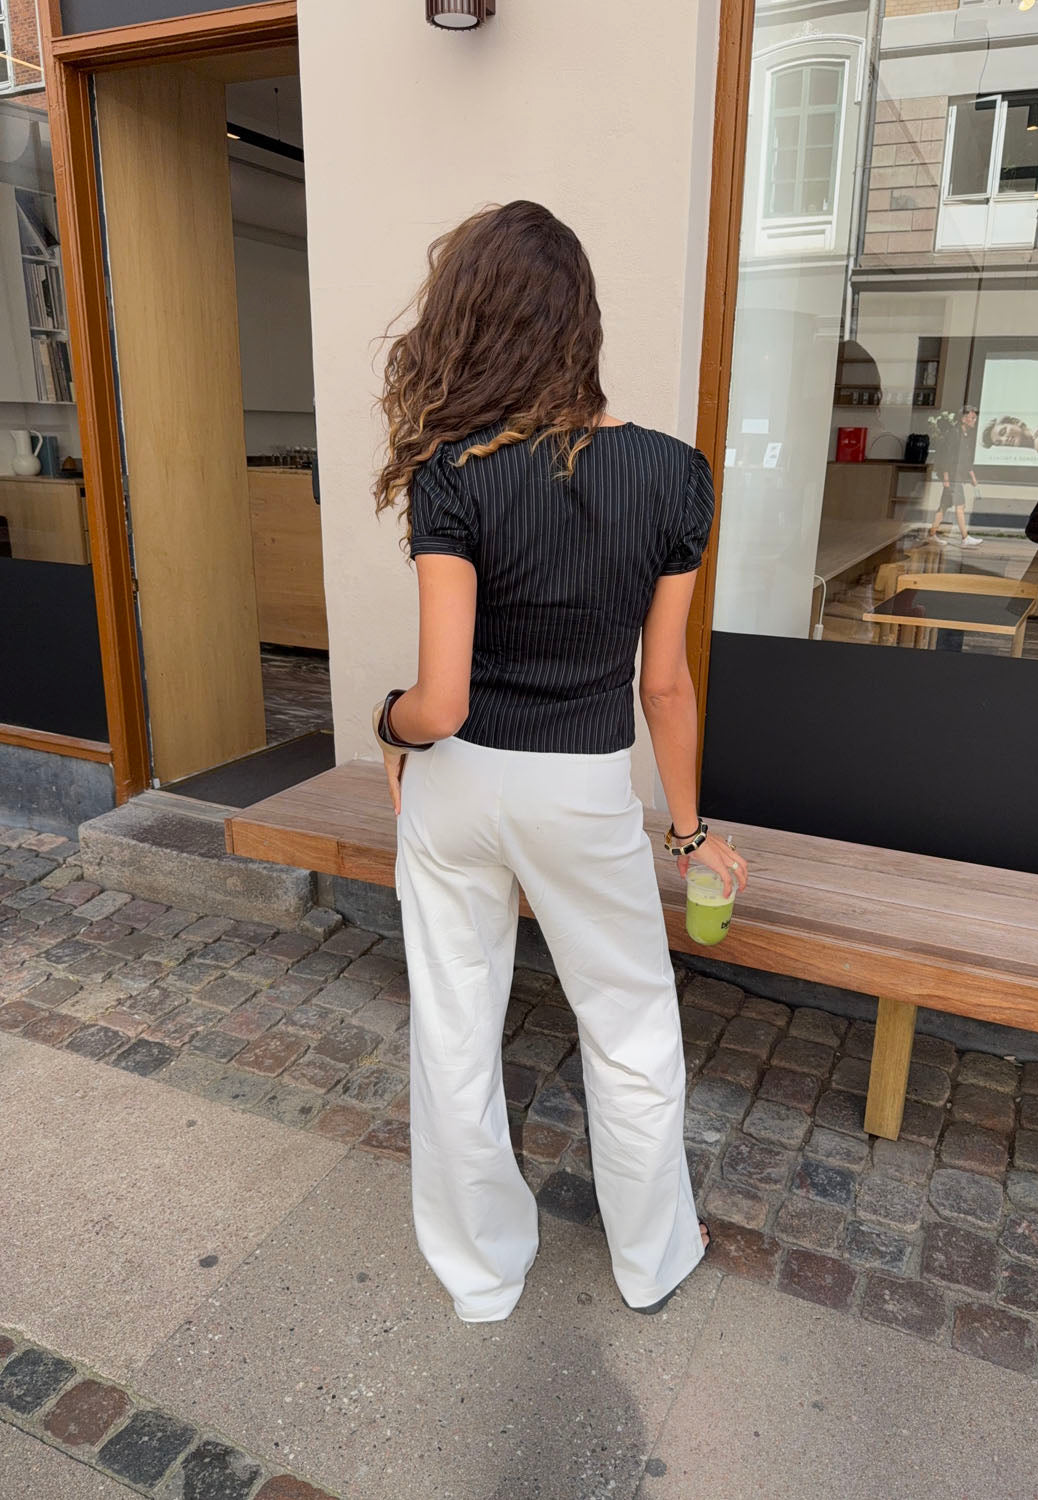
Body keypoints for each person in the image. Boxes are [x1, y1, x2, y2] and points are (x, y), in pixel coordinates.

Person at [370, 200, 748, 1324]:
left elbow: (437, 701)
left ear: (469, 323)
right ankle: (651, 1260)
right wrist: (688, 833)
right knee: (628, 1027)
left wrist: (389, 726)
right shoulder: (674, 477)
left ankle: (482, 1275)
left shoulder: (452, 473)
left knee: (454, 1028)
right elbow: (663, 685)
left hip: (459, 784)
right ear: (580, 323)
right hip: (581, 787)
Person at [928, 403, 983, 546]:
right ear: (963, 419)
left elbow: (965, 459)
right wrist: (946, 480)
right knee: (960, 506)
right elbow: (947, 457)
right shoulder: (954, 433)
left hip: (956, 476)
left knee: (944, 506)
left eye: (975, 418)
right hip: (952, 477)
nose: (974, 420)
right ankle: (965, 537)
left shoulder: (965, 435)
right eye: (972, 417)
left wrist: (973, 478)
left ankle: (932, 534)